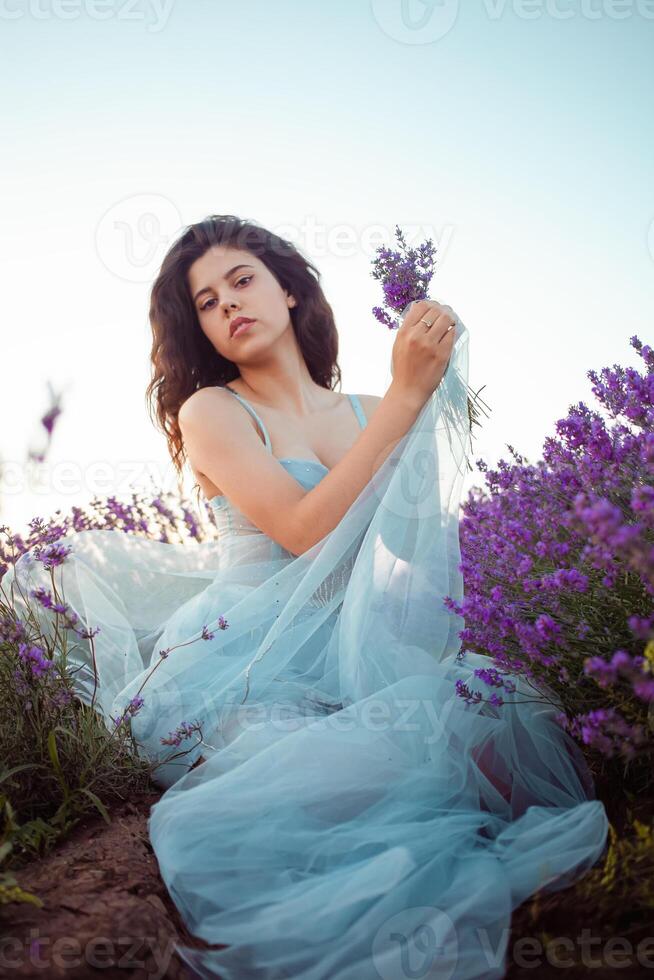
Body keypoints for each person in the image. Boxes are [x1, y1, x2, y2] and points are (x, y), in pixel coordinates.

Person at [8, 215, 608, 980]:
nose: (227, 304)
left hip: (359, 640)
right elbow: (299, 530)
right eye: (205, 302)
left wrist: (433, 390)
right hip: (245, 654)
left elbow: (408, 551)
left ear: (289, 291)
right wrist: (406, 396)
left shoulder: (370, 406)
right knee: (323, 772)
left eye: (242, 280)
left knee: (503, 724)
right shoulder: (215, 411)